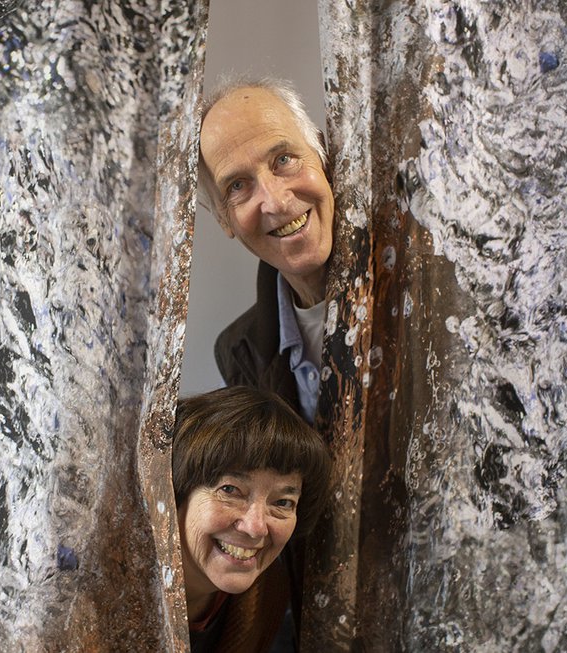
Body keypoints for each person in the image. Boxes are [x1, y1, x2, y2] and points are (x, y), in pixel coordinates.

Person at [197, 78, 335, 425]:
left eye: (284, 159)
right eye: (238, 186)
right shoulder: (238, 351)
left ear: (321, 155)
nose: (276, 201)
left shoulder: (421, 281)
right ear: (222, 219)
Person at [172, 386, 331, 653]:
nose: (256, 527)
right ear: (175, 492)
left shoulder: (268, 596)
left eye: (282, 503)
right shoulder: (98, 590)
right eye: (230, 490)